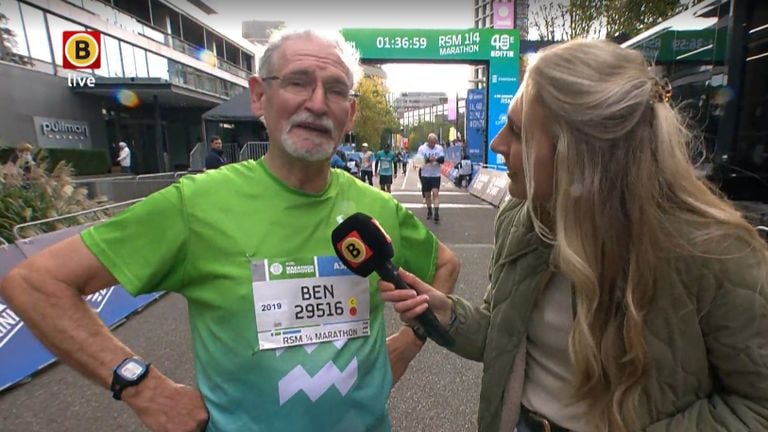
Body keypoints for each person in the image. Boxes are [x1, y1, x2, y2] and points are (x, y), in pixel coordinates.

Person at [0, 28, 459, 432]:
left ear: (351, 113)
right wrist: (142, 386)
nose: (317, 103)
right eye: (298, 82)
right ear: (259, 96)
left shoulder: (375, 205)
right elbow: (36, 283)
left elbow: (445, 264)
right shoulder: (195, 205)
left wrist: (412, 339)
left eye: (336, 90)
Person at [381, 39, 768, 432]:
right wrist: (445, 312)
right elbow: (503, 336)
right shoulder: (520, 215)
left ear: (579, 152)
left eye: (517, 131)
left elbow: (757, 406)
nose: (497, 144)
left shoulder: (717, 251)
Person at [417, 133, 445, 222]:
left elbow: (442, 160)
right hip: (425, 174)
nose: (433, 145)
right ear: (428, 141)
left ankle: (436, 212)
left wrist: (436, 159)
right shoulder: (422, 149)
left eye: (434, 143)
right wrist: (429, 160)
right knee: (427, 195)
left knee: (435, 193)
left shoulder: (439, 148)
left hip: (435, 175)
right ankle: (429, 211)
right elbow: (419, 161)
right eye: (431, 143)